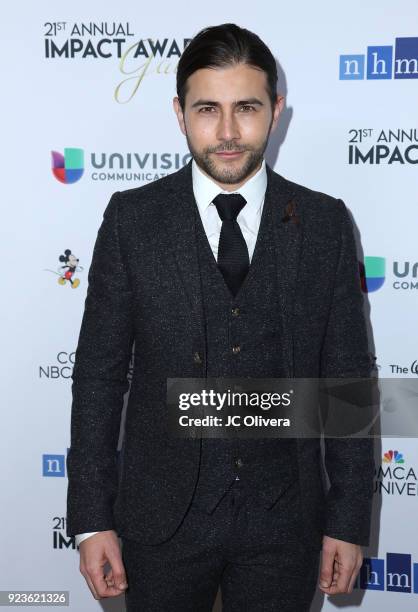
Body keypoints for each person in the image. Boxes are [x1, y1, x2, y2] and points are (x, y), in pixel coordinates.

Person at [66, 23, 375, 611]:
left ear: (276, 111)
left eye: (247, 108)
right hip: (160, 524)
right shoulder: (133, 221)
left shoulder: (325, 223)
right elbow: (99, 377)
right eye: (208, 109)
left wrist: (349, 518)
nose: (229, 133)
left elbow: (347, 383)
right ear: (180, 113)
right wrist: (90, 518)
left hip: (286, 527)